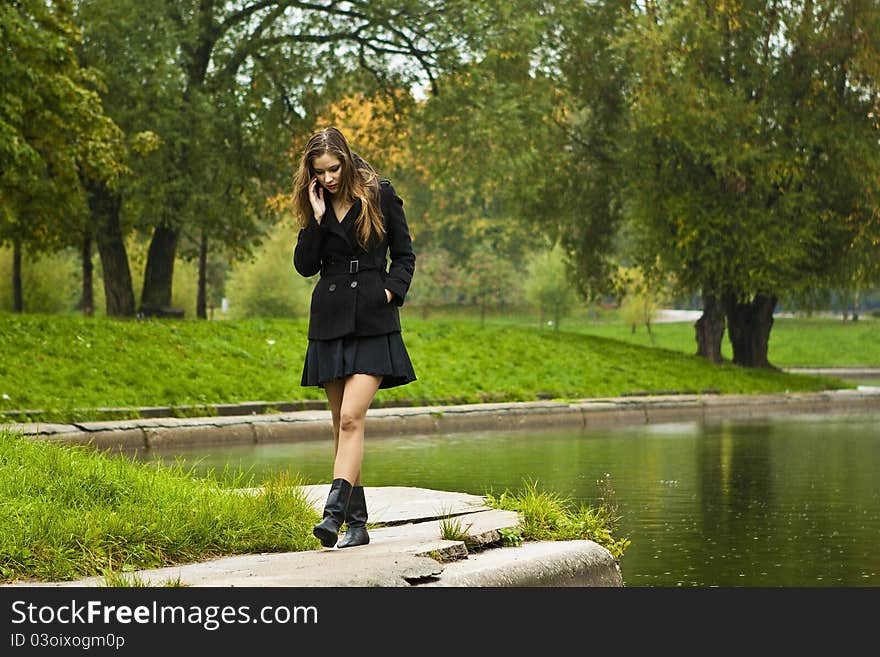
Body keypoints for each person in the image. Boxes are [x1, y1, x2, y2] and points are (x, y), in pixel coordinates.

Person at [292, 126, 416, 549]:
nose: (328, 178)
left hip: (372, 317)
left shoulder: (379, 192)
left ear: (346, 159)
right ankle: (357, 525)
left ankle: (331, 515)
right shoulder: (318, 204)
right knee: (341, 425)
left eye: (334, 168)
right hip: (329, 320)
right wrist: (317, 219)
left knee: (351, 418)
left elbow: (405, 255)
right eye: (320, 171)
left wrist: (388, 291)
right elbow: (305, 266)